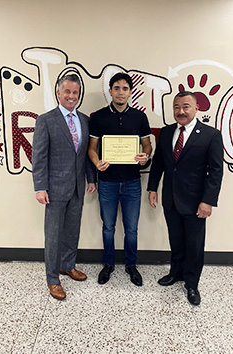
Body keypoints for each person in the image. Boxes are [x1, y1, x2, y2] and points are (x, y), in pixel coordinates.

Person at [147, 91, 223, 305]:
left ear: (196, 108)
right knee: (176, 239)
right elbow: (159, 163)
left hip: (196, 201)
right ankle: (176, 273)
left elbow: (216, 171)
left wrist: (208, 201)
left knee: (194, 243)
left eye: (186, 106)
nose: (180, 111)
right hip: (170, 198)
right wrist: (153, 188)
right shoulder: (167, 132)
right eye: (176, 107)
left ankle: (192, 283)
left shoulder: (210, 135)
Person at [32, 74, 96, 300]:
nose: (71, 96)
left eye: (75, 93)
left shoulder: (85, 120)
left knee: (72, 231)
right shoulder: (46, 120)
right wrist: (40, 187)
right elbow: (38, 157)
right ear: (58, 93)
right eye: (67, 92)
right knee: (53, 235)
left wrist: (91, 179)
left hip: (78, 187)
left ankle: (67, 265)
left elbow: (86, 155)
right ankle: (52, 278)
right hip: (54, 189)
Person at [88, 72, 152, 286]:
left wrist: (146, 156)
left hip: (133, 182)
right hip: (107, 182)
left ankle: (131, 265)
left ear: (130, 92)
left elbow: (147, 145)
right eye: (117, 88)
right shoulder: (98, 117)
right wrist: (97, 163)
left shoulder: (139, 117)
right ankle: (108, 264)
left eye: (125, 88)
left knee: (132, 228)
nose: (121, 92)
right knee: (108, 226)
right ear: (110, 91)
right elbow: (92, 148)